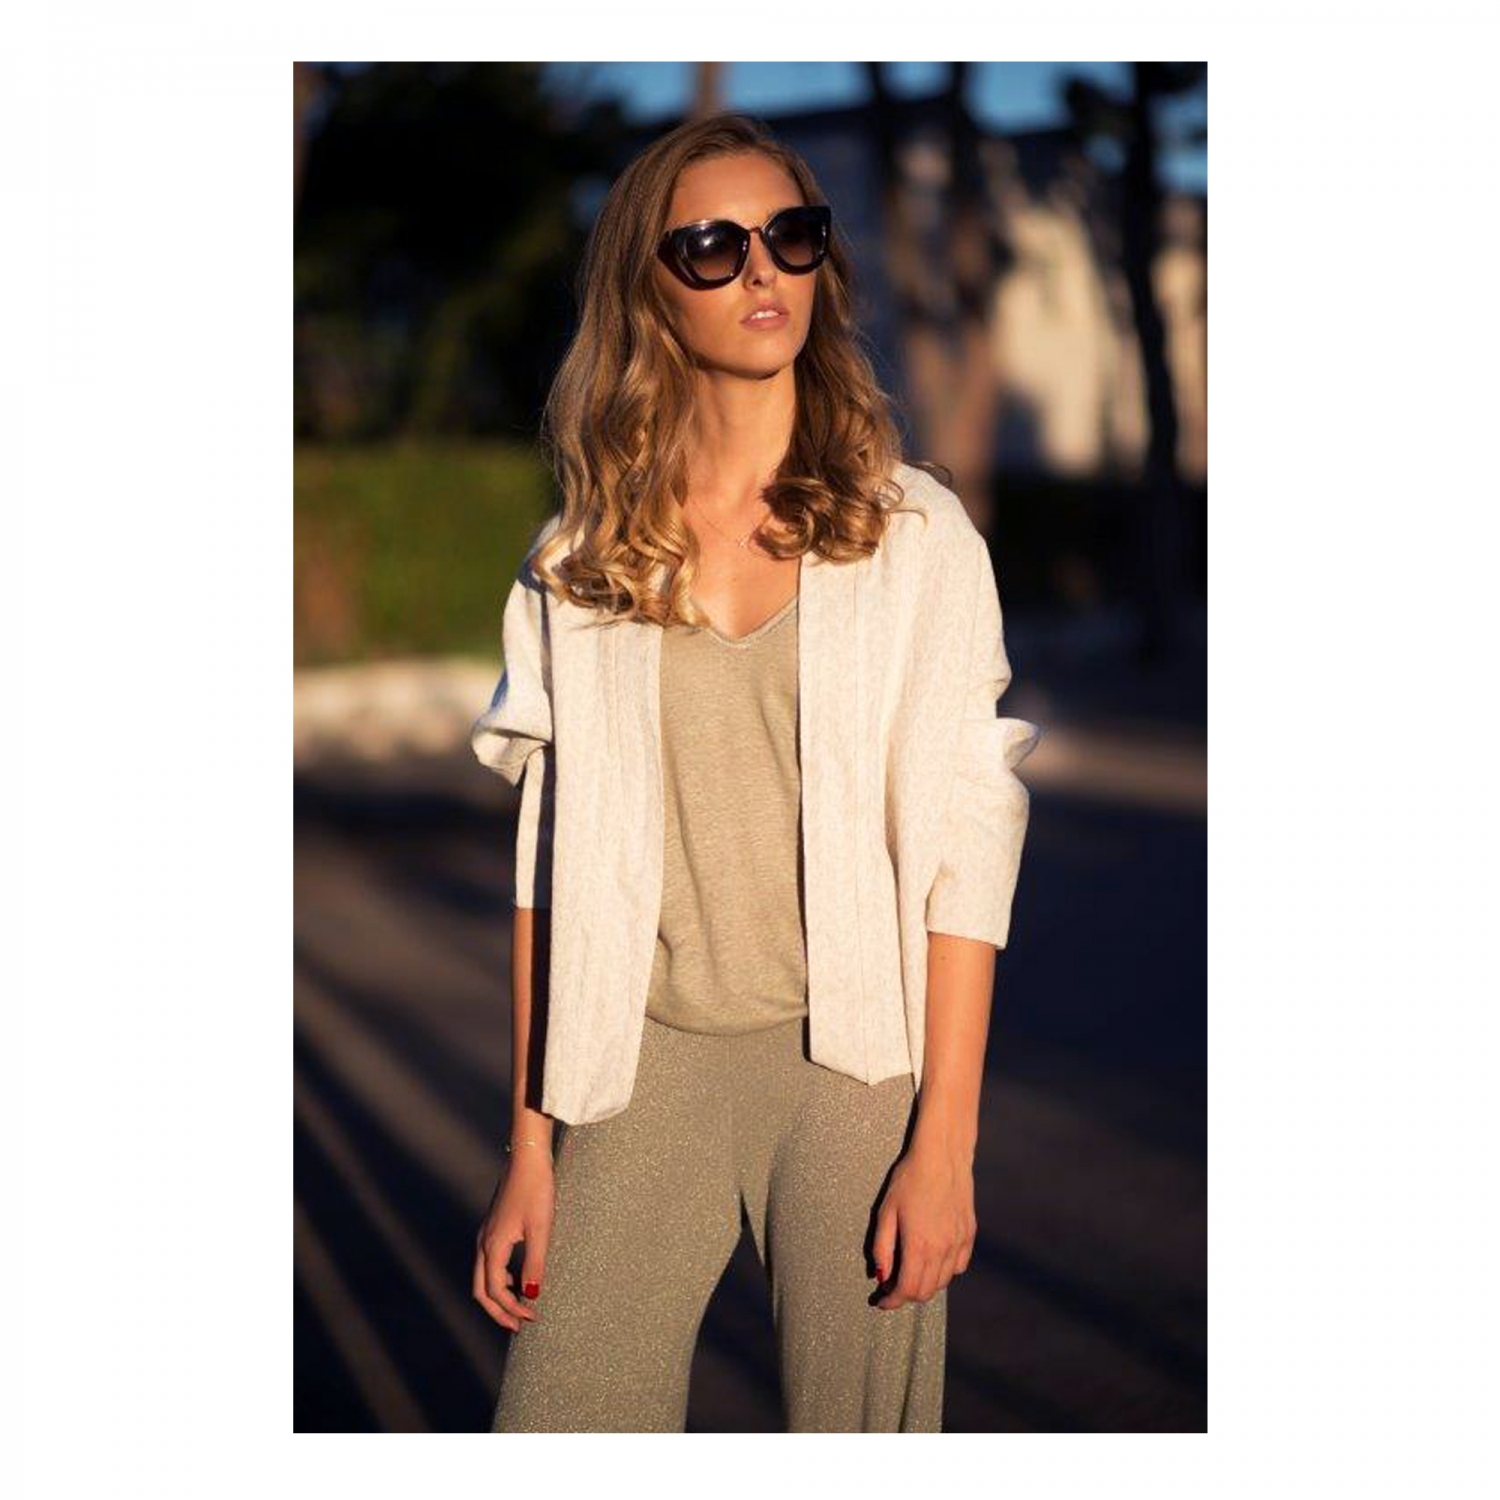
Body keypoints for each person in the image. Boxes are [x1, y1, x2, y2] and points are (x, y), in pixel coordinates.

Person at [468, 112, 1040, 1433]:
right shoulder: (582, 558)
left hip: (851, 1072)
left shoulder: (914, 536)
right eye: (713, 247)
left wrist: (944, 1143)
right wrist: (532, 1148)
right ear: (650, 289)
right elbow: (547, 863)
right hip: (639, 1066)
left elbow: (969, 844)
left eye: (791, 235)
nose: (762, 270)